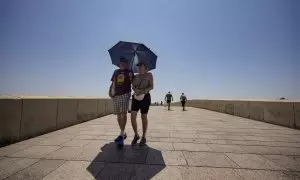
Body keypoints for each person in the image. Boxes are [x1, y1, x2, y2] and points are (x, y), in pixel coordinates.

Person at [109, 57, 134, 147]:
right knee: (119, 115)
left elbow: (133, 83)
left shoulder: (129, 72)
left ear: (127, 64)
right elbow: (113, 83)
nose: (122, 64)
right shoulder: (116, 72)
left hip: (125, 94)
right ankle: (122, 133)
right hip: (116, 94)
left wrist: (131, 77)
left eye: (124, 63)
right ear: (119, 64)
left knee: (123, 114)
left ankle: (121, 133)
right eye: (121, 63)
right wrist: (110, 91)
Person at [130, 61, 154, 146]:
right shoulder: (135, 76)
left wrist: (143, 91)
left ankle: (144, 136)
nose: (139, 68)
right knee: (132, 116)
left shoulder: (149, 75)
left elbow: (152, 86)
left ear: (145, 67)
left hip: (145, 97)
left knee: (144, 116)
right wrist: (136, 90)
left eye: (141, 66)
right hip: (135, 97)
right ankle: (136, 135)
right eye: (138, 66)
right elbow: (133, 85)